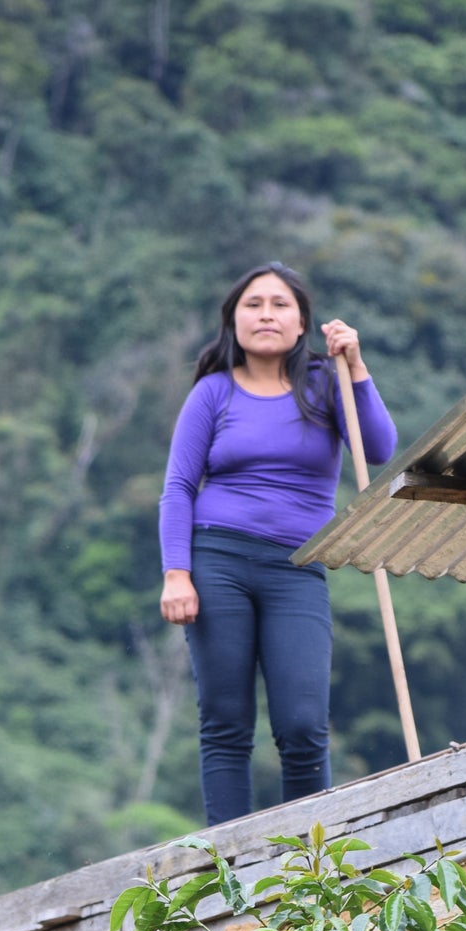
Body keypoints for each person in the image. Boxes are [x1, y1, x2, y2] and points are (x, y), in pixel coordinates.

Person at [158, 263, 396, 825]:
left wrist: (356, 368)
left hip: (296, 568)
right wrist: (176, 573)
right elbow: (177, 487)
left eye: (280, 304)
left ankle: (308, 868)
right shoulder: (213, 392)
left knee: (303, 723)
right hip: (217, 562)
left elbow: (380, 447)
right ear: (233, 321)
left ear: (302, 323)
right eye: (253, 304)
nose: (266, 314)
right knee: (225, 719)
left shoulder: (324, 382)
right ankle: (228, 865)